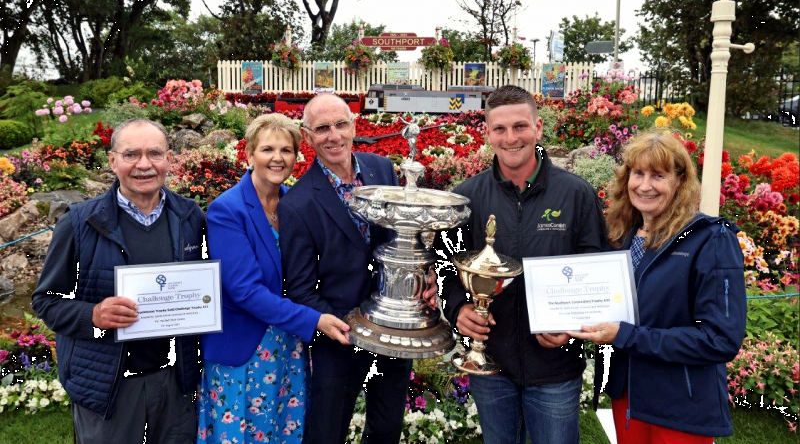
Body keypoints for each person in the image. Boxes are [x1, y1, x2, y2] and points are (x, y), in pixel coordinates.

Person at [434, 85, 608, 444]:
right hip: (489, 363)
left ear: (538, 128)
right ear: (487, 134)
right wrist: (458, 308)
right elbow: (445, 265)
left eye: (520, 126)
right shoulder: (466, 197)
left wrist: (572, 324)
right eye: (499, 129)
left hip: (555, 368)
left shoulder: (576, 194)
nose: (510, 138)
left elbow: (595, 272)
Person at [32, 118, 206, 444]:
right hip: (109, 389)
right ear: (113, 161)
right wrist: (93, 315)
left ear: (169, 159)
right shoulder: (80, 223)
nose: (144, 165)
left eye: (154, 153)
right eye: (131, 155)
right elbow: (46, 301)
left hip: (173, 384)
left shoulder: (190, 216)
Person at [567, 129, 746, 443]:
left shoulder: (710, 239)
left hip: (679, 406)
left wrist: (625, 335)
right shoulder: (621, 236)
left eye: (658, 176)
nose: (645, 185)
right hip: (628, 397)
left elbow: (720, 339)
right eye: (638, 173)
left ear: (679, 181)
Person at [278, 94, 438, 444]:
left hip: (395, 328)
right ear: (307, 137)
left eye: (340, 124)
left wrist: (423, 275)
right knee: (327, 433)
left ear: (353, 126)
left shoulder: (381, 169)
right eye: (322, 128)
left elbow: (402, 237)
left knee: (385, 429)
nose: (333, 135)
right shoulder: (298, 204)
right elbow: (300, 288)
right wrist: (333, 324)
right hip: (340, 338)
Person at [196, 113, 351, 443]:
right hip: (245, 351)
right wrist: (315, 320)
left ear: (297, 156)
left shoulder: (294, 203)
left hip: (287, 347)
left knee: (283, 431)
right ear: (249, 154)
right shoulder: (228, 210)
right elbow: (245, 291)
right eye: (267, 149)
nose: (278, 158)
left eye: (287, 150)